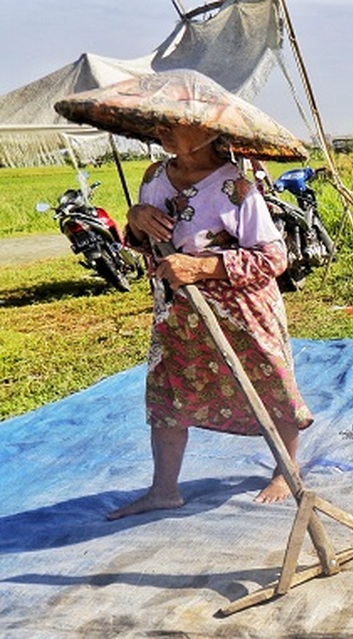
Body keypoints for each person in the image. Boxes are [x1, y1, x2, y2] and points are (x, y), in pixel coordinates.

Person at [107, 122, 314, 520]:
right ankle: (164, 490)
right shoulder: (153, 177)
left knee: (270, 384)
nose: (159, 130)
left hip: (241, 312)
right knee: (168, 393)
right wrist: (135, 220)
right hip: (178, 312)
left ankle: (285, 472)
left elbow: (273, 258)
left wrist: (201, 267)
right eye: (158, 123)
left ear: (205, 131)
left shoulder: (236, 185)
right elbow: (144, 243)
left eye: (173, 124)